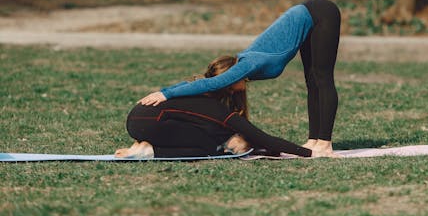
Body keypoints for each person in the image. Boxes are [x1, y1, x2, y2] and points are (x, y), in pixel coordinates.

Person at [138, 0, 341, 158]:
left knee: (322, 79)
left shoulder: (246, 65)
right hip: (306, 17)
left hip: (322, 13)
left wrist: (166, 93)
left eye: (229, 86)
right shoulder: (244, 66)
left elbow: (211, 83)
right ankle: (314, 139)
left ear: (231, 74)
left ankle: (325, 142)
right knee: (312, 82)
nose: (232, 90)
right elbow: (204, 80)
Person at [115, 56, 313, 158]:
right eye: (242, 75)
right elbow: (260, 136)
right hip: (153, 123)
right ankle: (150, 151)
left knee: (208, 136)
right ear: (231, 79)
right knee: (212, 147)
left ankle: (143, 145)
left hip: (136, 120)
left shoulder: (197, 90)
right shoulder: (211, 105)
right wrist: (307, 152)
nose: (247, 78)